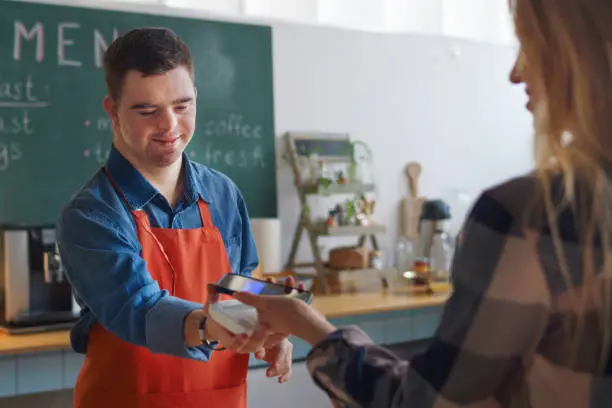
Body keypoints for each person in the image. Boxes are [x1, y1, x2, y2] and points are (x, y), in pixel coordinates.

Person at [233, 1, 612, 407]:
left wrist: (313, 329)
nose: (516, 72)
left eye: (530, 46)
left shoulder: (527, 215)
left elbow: (424, 402)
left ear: (580, 51)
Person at [56, 27, 293, 408]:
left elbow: (243, 285)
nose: (169, 126)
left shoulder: (224, 194)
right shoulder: (92, 214)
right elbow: (140, 307)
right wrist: (212, 324)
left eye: (182, 106)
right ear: (112, 111)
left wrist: (271, 323)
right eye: (147, 110)